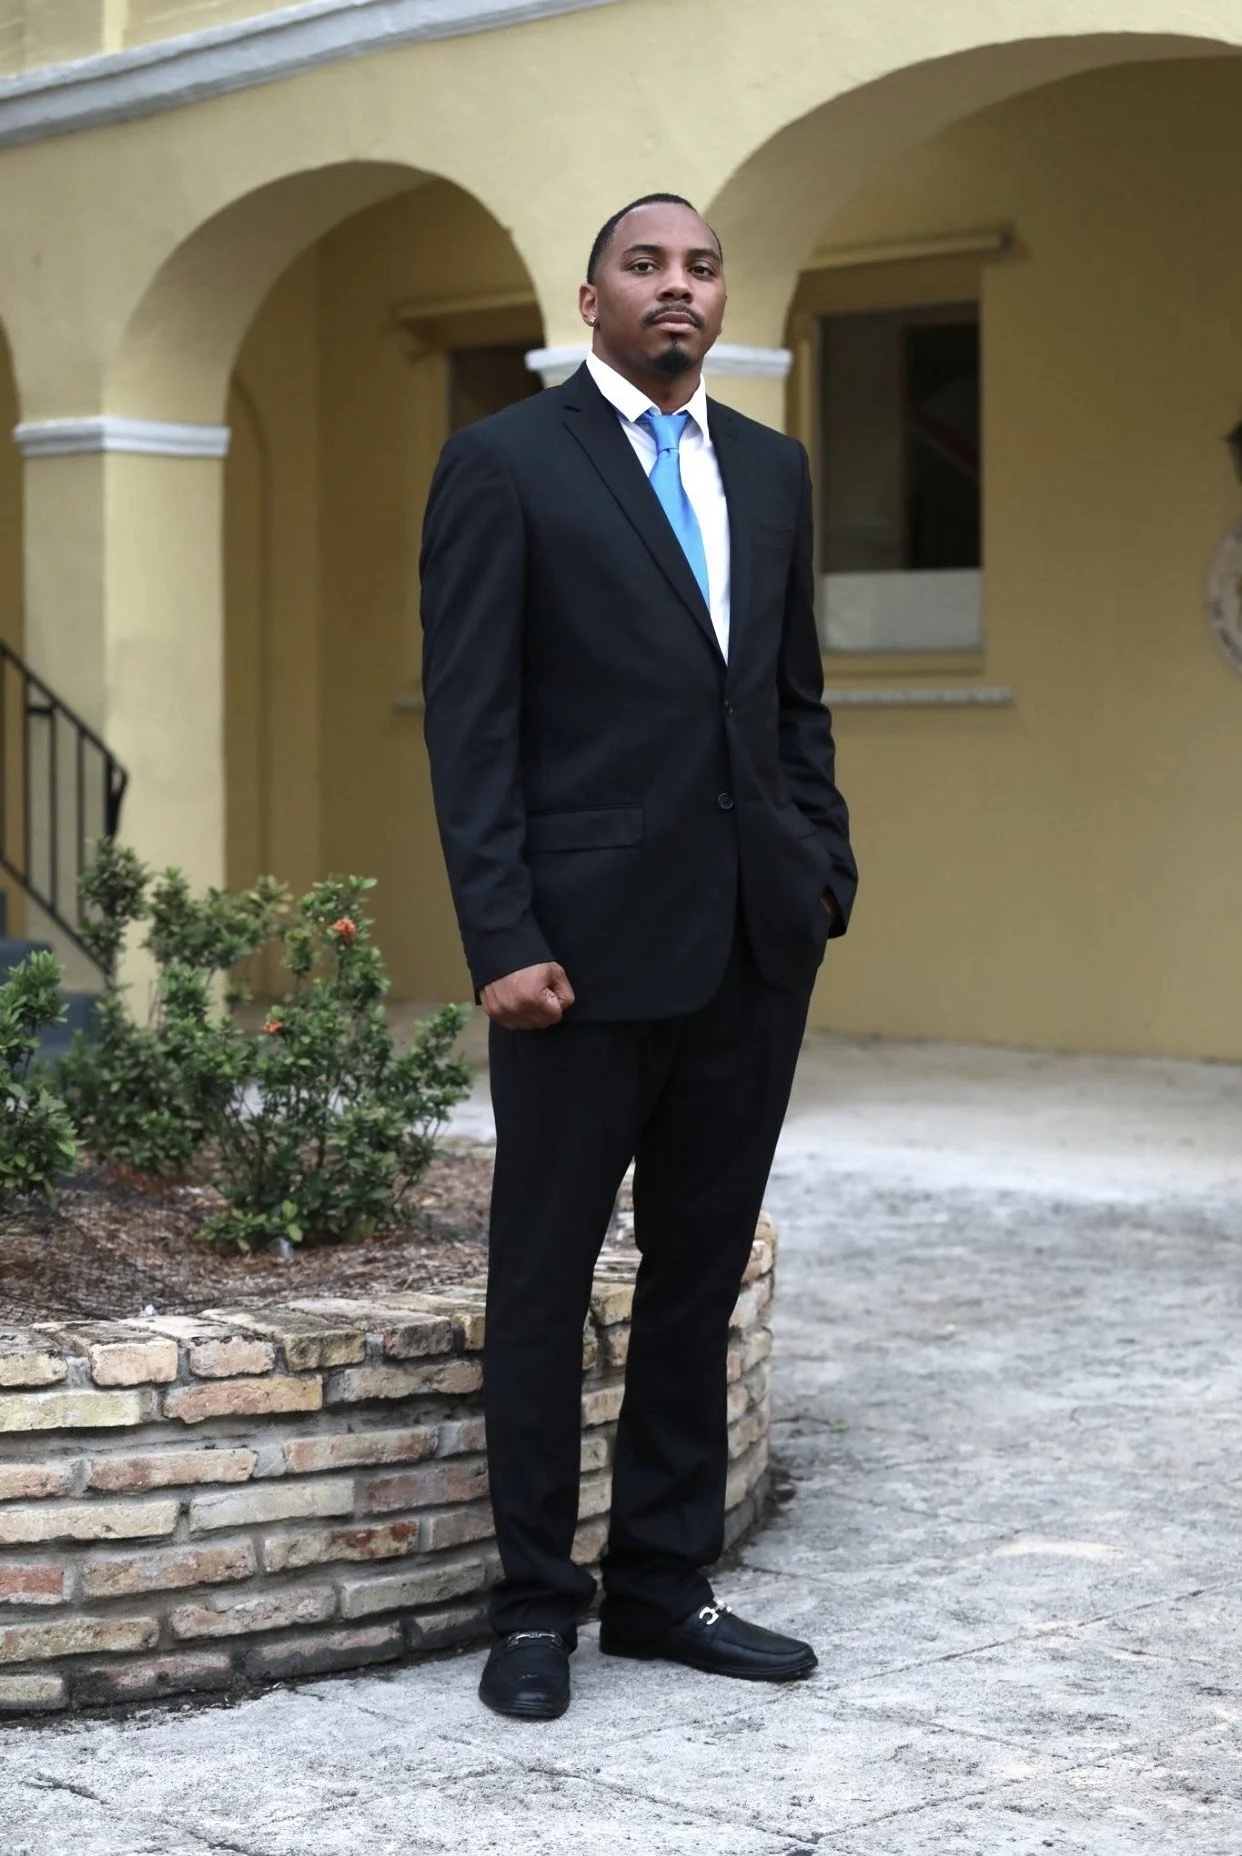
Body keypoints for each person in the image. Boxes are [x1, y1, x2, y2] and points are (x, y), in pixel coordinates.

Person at [420, 193, 857, 1720]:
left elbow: (789, 702)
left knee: (692, 1281)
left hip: (750, 945)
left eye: (699, 267)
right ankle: (535, 1604)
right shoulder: (502, 466)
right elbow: (473, 728)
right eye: (645, 266)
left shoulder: (770, 469)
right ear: (591, 297)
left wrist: (822, 869)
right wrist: (502, 935)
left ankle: (662, 1589)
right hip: (576, 964)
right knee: (541, 1283)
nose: (678, 288)